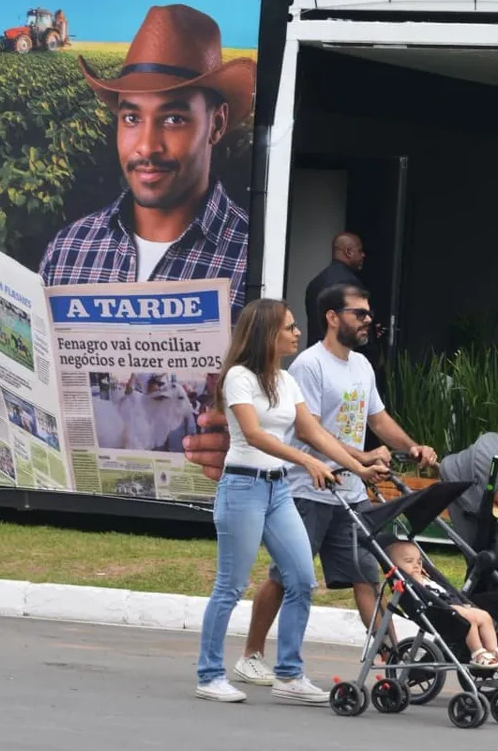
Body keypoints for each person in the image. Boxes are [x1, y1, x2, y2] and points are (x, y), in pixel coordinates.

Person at [0, 4, 254, 462]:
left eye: (173, 118)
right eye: (131, 118)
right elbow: (36, 427)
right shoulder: (69, 250)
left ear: (217, 124)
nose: (146, 146)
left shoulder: (252, 260)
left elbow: (294, 424)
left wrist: (246, 449)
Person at [232, 283, 438, 687]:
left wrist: (412, 446)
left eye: (368, 314)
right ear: (332, 317)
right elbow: (310, 433)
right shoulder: (309, 365)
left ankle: (392, 659)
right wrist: (361, 458)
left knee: (367, 578)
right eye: (359, 314)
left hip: (351, 494)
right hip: (308, 491)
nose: (367, 321)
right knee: (285, 577)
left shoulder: (361, 365)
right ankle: (251, 655)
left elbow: (377, 421)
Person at [196, 298, 388, 703]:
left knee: (302, 579)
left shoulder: (285, 380)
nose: (297, 333)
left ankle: (289, 674)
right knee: (230, 586)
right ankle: (209, 674)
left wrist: (358, 465)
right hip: (244, 487)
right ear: (268, 333)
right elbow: (253, 434)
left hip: (278, 490)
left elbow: (315, 433)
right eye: (289, 327)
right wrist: (306, 461)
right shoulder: (239, 378)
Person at [387, 540, 498, 669]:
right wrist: (416, 580)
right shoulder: (407, 581)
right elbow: (423, 596)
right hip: (437, 611)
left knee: (484, 615)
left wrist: (460, 603)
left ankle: (494, 650)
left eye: (419, 562)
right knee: (466, 618)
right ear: (395, 566)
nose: (416, 566)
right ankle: (478, 653)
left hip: (450, 605)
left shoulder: (426, 577)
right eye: (409, 561)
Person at [304, 233, 367, 348]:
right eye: (360, 251)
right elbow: (356, 325)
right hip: (340, 354)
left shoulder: (314, 283)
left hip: (317, 351)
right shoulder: (351, 286)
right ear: (348, 252)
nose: (363, 255)